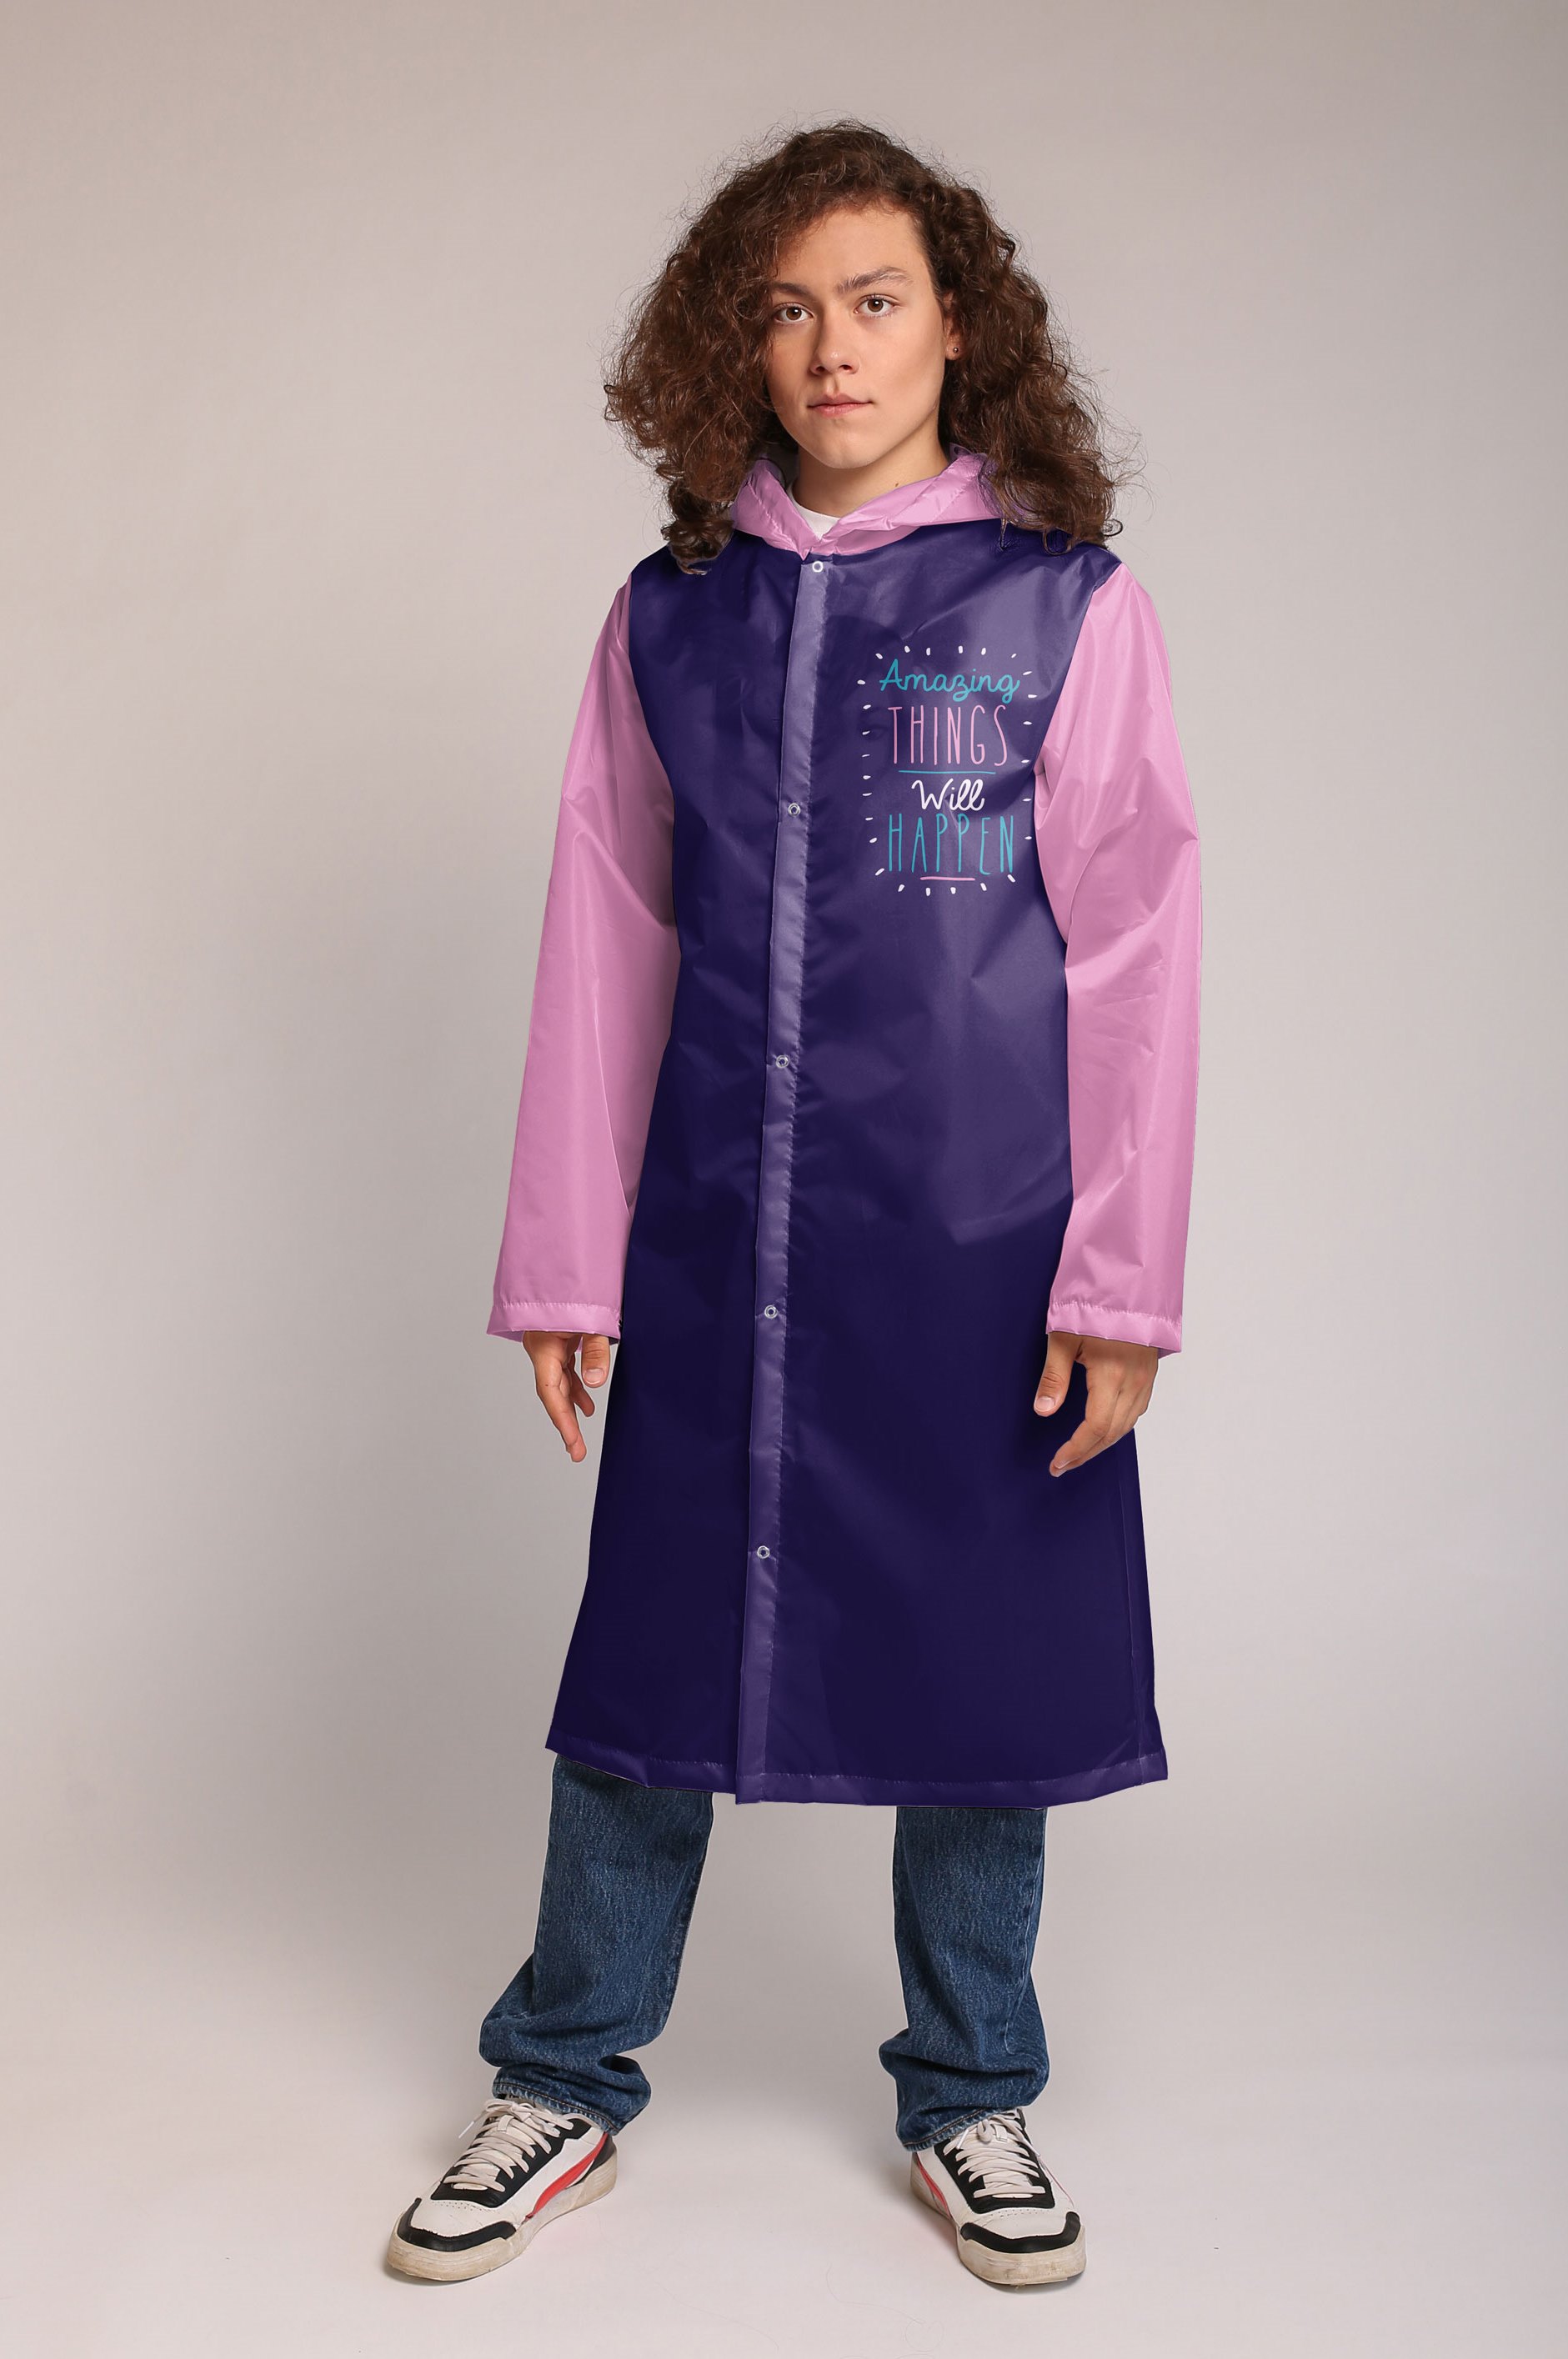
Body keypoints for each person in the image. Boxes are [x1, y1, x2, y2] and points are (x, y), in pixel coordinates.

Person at [387, 119, 1201, 2294]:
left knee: (986, 1666)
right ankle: (562, 2075)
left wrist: (1119, 1281)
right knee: (649, 1656)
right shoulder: (673, 621)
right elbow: (606, 937)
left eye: (874, 299)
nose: (831, 346)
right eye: (784, 307)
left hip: (986, 1249)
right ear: (728, 348)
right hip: (716, 1240)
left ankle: (974, 2089)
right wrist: (568, 1252)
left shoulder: (1060, 609)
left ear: (957, 331)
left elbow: (1137, 954)